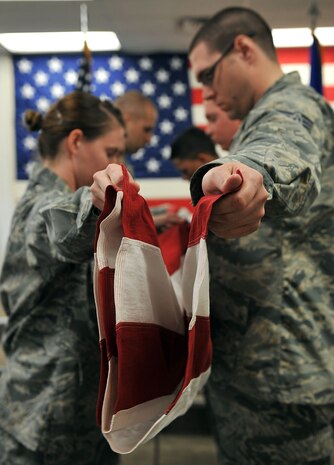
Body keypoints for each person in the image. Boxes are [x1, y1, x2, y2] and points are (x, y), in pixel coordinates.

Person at [186, 6, 334, 465]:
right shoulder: (263, 112)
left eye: (209, 75)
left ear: (244, 49)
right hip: (260, 370)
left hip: (280, 384)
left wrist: (237, 176)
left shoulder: (290, 107)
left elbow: (275, 150)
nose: (207, 92)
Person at [0, 91, 133, 465]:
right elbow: (60, 227)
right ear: (76, 142)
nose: (119, 164)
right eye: (112, 153)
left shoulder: (48, 198)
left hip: (77, 414)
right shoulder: (42, 206)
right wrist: (94, 205)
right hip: (43, 422)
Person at [115, 89, 183, 231]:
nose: (149, 139)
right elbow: (104, 221)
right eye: (146, 129)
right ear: (125, 121)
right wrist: (154, 222)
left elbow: (125, 213)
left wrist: (161, 212)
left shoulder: (122, 163)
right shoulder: (99, 161)